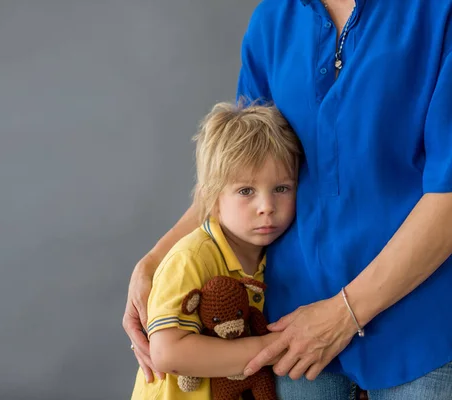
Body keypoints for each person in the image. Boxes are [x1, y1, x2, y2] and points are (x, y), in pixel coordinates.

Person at [124, 0, 452, 399]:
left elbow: (447, 194)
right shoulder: (274, 19)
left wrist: (343, 314)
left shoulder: (439, 13)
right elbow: (239, 178)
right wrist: (153, 263)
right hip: (292, 329)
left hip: (419, 327)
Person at [131, 102, 302, 399]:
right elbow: (167, 352)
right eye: (246, 191)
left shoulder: (271, 255)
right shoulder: (191, 258)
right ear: (212, 197)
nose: (267, 208)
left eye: (282, 188)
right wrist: (268, 348)